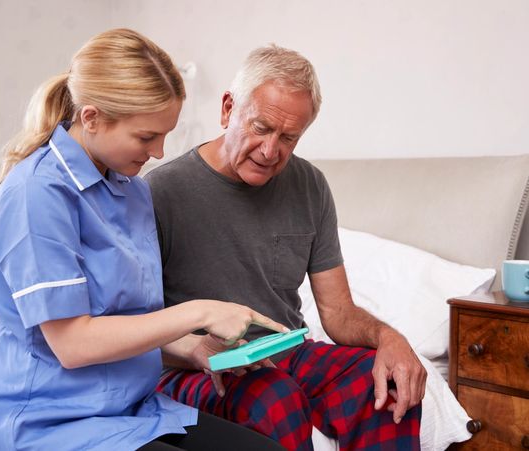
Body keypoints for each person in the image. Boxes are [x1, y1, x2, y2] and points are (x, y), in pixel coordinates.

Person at [0, 29, 287, 451]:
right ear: (92, 118)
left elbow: (122, 316)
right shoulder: (37, 193)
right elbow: (73, 345)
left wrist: (194, 347)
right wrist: (201, 311)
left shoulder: (132, 189)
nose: (158, 152)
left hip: (130, 410)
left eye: (164, 135)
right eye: (146, 137)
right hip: (49, 422)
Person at [145, 45, 428, 451]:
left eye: (289, 137)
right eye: (261, 127)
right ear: (228, 109)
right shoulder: (160, 192)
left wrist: (389, 338)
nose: (270, 150)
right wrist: (196, 351)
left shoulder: (310, 186)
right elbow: (137, 323)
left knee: (385, 381)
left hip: (285, 352)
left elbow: (338, 312)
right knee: (274, 396)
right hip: (197, 364)